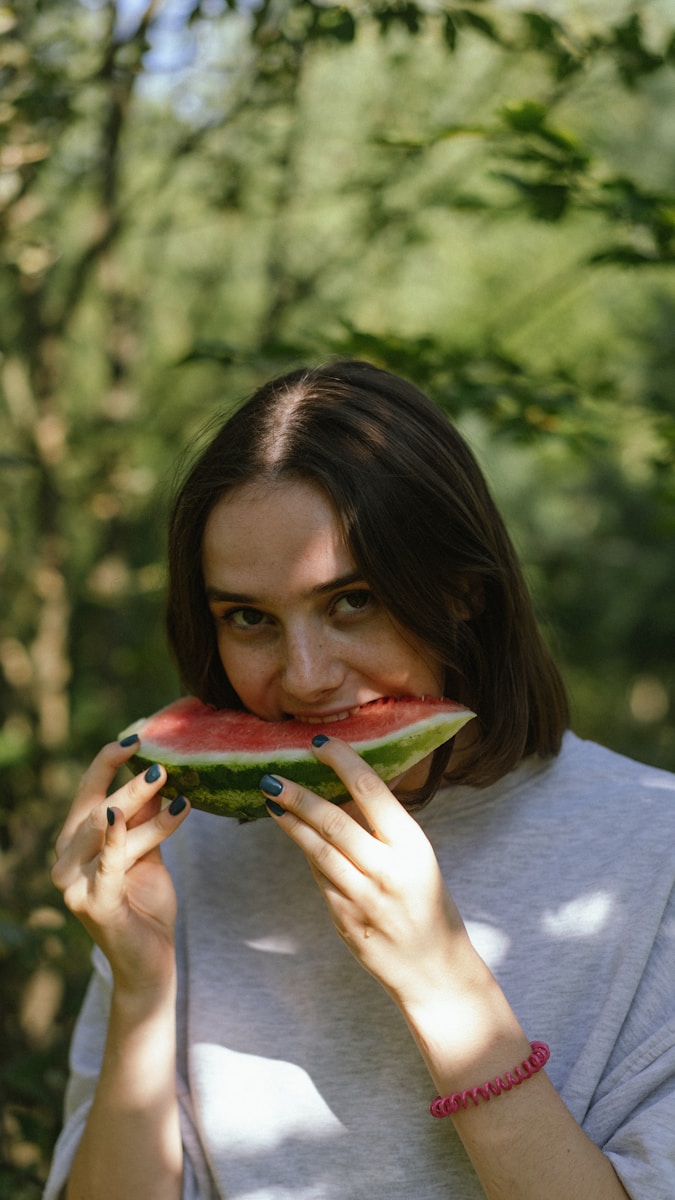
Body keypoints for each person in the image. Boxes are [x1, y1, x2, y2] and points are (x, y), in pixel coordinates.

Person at [45, 360, 674, 1200]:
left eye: (353, 600)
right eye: (249, 618)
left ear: (460, 589)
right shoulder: (182, 861)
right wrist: (142, 990)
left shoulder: (653, 856)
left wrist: (442, 983)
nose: (304, 677)